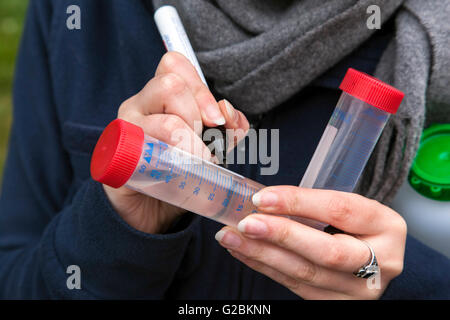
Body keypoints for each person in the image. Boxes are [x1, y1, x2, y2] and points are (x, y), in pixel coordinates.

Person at [0, 0, 449, 299]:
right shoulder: (81, 14)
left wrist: (391, 283)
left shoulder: (433, 38)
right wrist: (114, 228)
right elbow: (15, 277)